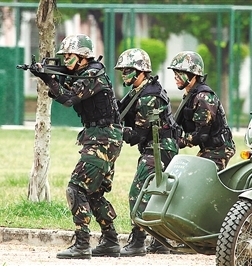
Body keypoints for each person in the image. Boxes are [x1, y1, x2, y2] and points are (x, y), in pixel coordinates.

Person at [30, 34, 123, 260]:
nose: (66, 61)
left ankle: (82, 244)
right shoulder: (84, 74)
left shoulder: (92, 74)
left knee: (76, 187)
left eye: (70, 56)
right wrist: (48, 77)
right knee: (94, 193)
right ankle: (110, 241)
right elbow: (67, 89)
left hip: (103, 138)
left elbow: (68, 98)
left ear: (83, 56)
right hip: (102, 137)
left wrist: (48, 78)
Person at [114, 48, 179, 256]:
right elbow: (120, 111)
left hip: (159, 149)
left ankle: (138, 241)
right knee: (153, 194)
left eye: (128, 70)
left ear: (141, 71)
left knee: (138, 192)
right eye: (123, 70)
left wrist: (117, 131)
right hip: (157, 148)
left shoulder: (148, 96)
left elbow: (138, 135)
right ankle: (160, 241)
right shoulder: (139, 90)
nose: (124, 74)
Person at [168, 51, 236, 172]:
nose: (175, 77)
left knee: (198, 179)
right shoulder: (190, 94)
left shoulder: (203, 97)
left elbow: (201, 135)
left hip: (219, 150)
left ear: (193, 75)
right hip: (208, 148)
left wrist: (179, 141)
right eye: (175, 73)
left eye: (180, 73)